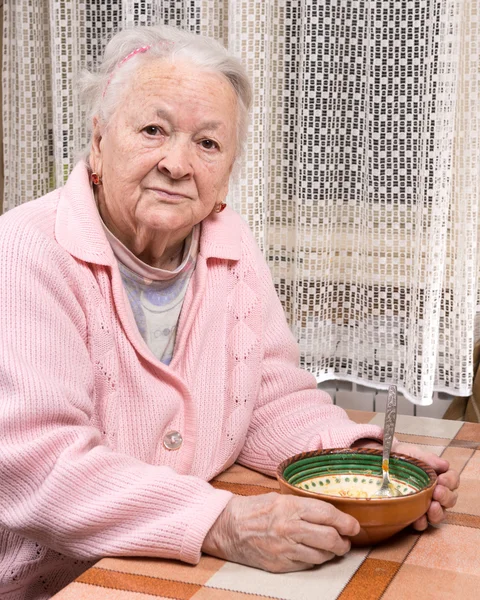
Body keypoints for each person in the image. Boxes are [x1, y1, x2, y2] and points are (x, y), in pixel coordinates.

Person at [0, 24, 459, 599]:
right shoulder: (23, 253)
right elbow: (37, 468)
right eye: (152, 130)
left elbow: (266, 397)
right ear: (98, 141)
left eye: (208, 143)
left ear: (226, 174)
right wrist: (221, 522)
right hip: (49, 585)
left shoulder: (229, 243)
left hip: (172, 573)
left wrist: (358, 463)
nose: (177, 162)